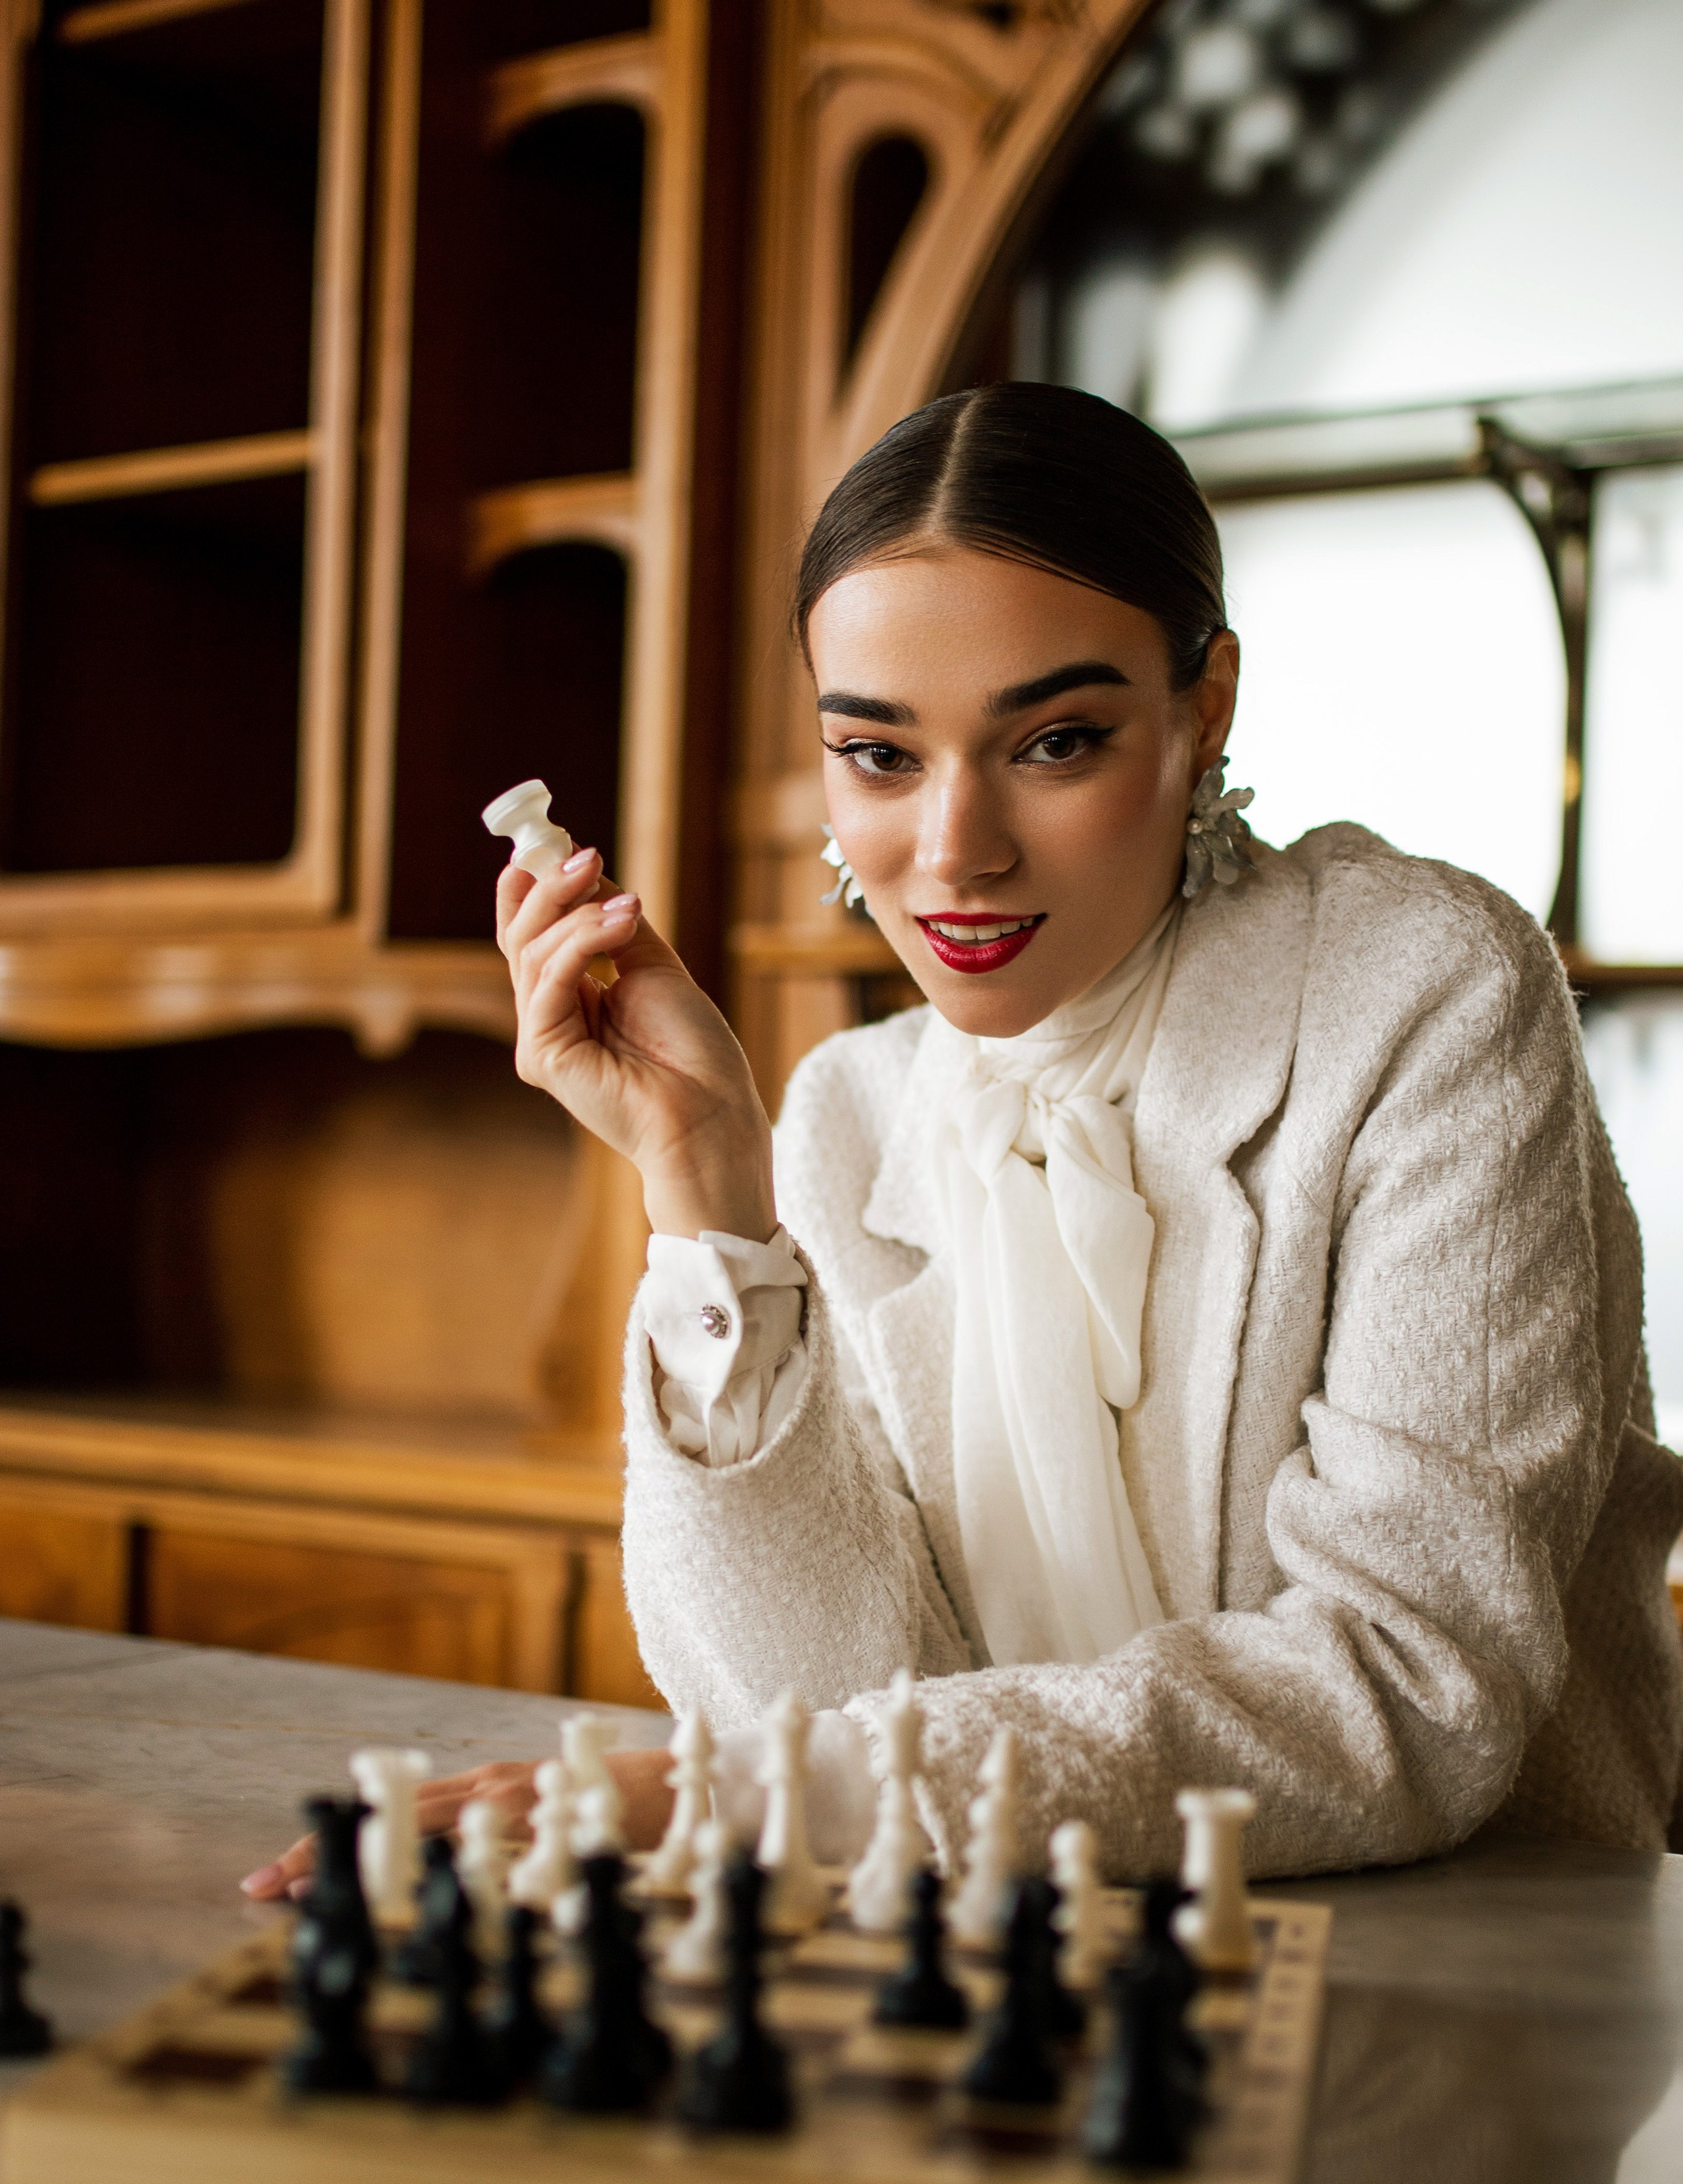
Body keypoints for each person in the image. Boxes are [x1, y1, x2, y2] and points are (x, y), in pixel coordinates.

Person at [245, 383, 1683, 1905]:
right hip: (1035, 1965)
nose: (953, 853)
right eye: (879, 755)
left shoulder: (1422, 992)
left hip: (1459, 1976)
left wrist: (759, 1793)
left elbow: (1410, 1686)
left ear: (1203, 708)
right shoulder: (847, 1112)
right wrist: (705, 1188)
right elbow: (804, 1704)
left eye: (1054, 742)